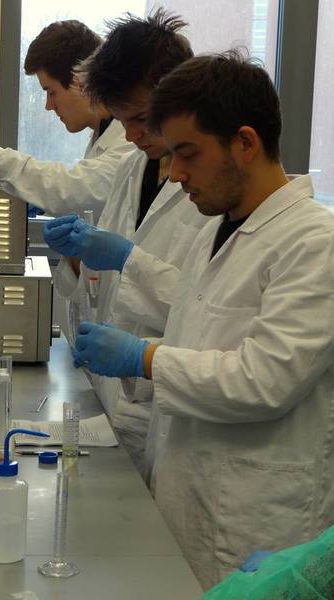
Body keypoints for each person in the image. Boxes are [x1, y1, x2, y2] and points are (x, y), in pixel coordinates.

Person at [62, 51, 334, 590]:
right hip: (187, 493)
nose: (177, 174)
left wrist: (145, 358)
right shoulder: (218, 228)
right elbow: (197, 335)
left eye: (187, 154)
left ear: (245, 142)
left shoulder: (314, 244)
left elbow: (264, 381)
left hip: (251, 520)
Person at [45, 9, 208, 472]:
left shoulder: (212, 188)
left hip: (171, 406)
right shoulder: (132, 168)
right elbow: (108, 291)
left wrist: (127, 259)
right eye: (121, 121)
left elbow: (208, 307)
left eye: (140, 118)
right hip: (115, 400)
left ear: (176, 94)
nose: (132, 136)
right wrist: (79, 260)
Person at [0, 20, 133, 221]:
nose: (48, 105)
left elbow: (77, 189)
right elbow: (79, 192)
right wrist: (39, 198)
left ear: (81, 82)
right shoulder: (102, 135)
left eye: (51, 92)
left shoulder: (129, 140)